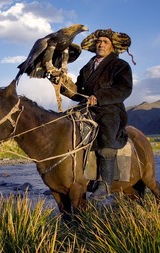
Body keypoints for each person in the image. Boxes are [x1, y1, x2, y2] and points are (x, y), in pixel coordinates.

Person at [59, 28, 134, 200]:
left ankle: (105, 184)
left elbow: (124, 89)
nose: (100, 44)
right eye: (98, 42)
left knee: (106, 138)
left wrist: (99, 97)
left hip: (110, 109)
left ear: (112, 47)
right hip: (86, 108)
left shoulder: (120, 66)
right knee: (65, 128)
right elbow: (78, 92)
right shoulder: (87, 67)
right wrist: (64, 86)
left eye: (105, 42)